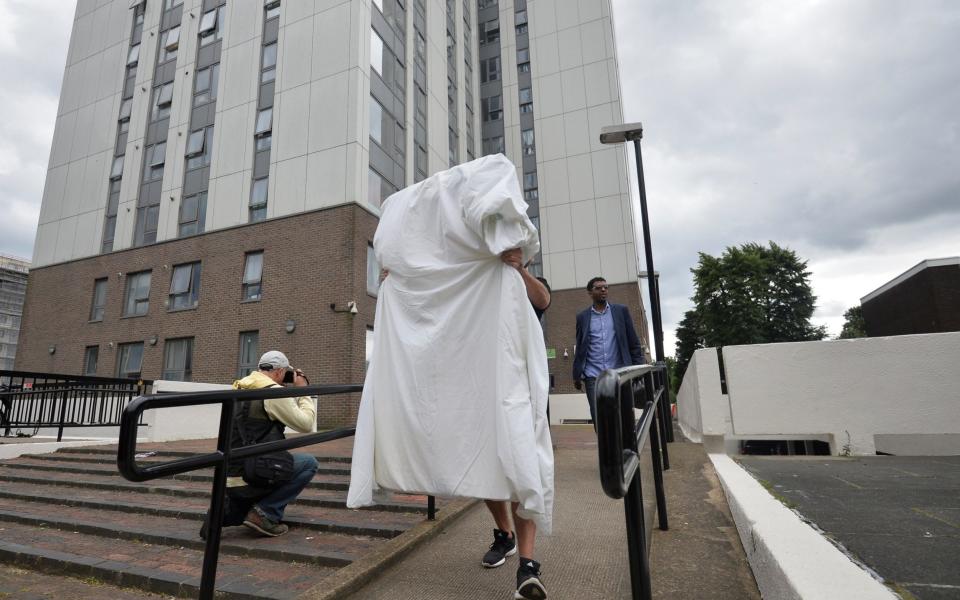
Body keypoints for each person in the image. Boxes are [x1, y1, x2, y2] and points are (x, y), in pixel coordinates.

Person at [478, 247, 550, 600]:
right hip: (480, 384)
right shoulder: (474, 278)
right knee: (486, 464)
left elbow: (543, 299)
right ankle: (504, 534)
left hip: (520, 385)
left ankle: (527, 564)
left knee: (525, 467)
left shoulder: (516, 274)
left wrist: (519, 269)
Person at [201, 350, 317, 538]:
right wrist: (304, 391)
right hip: (254, 473)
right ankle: (265, 514)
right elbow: (305, 424)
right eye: (285, 374)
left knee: (274, 458)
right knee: (308, 463)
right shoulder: (273, 393)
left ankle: (228, 511)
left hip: (230, 474)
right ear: (280, 372)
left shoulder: (239, 388)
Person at [571, 277, 646, 428]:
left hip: (620, 372)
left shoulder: (621, 311)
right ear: (590, 293)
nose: (603, 290)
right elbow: (580, 347)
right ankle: (607, 450)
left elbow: (633, 343)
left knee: (624, 414)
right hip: (593, 375)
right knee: (599, 416)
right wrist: (576, 374)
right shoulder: (583, 317)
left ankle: (625, 448)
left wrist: (638, 369)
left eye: (606, 287)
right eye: (598, 288)